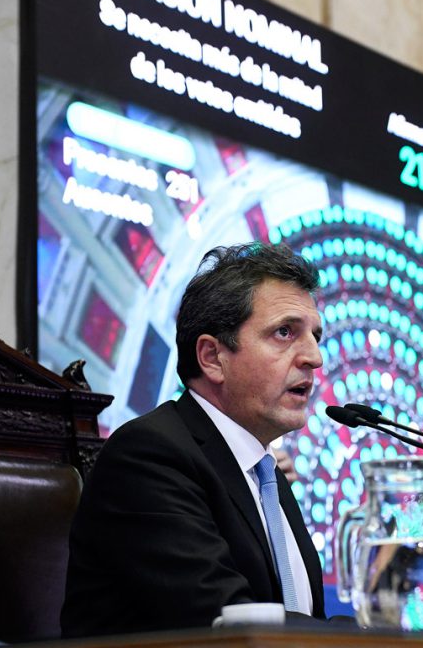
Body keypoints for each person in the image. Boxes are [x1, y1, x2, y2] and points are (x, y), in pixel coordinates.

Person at [61, 243, 328, 637]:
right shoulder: (148, 457)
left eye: (316, 335)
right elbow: (227, 624)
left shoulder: (264, 474)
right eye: (285, 332)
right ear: (212, 357)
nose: (314, 357)